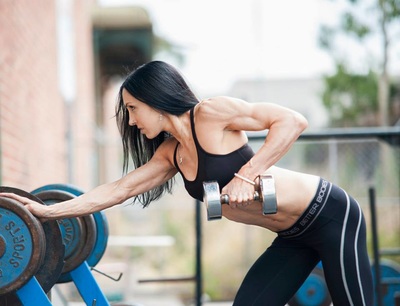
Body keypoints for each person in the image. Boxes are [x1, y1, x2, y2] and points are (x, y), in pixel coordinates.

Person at [0, 61, 373, 305]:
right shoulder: (171, 154)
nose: (131, 121)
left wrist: (247, 174)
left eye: (133, 109)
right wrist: (47, 212)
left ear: (154, 99)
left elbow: (292, 121)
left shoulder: (211, 114)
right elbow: (118, 189)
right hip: (293, 237)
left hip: (332, 217)